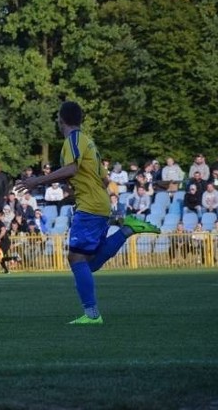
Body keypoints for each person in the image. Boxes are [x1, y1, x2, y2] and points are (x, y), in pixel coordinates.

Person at [15, 101, 159, 325]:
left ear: (61, 120)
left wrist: (37, 181)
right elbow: (102, 179)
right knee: (88, 263)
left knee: (76, 258)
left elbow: (72, 168)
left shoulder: (72, 140)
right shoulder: (89, 142)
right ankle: (127, 230)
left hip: (90, 205)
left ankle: (92, 314)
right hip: (98, 203)